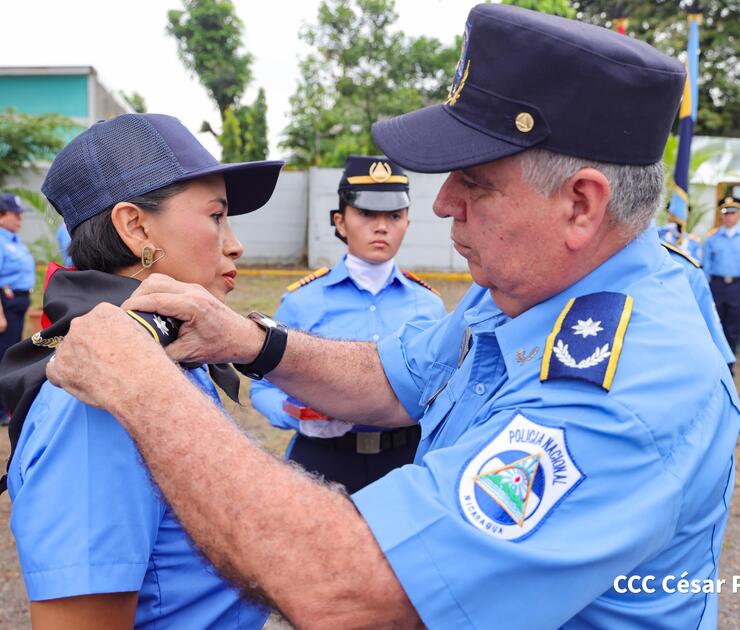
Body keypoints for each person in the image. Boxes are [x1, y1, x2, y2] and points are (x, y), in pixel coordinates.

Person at [47, 6, 740, 628]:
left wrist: (145, 392)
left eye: (475, 182)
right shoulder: (532, 287)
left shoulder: (629, 386)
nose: (440, 205)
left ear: (581, 205)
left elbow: (354, 594)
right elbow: (395, 376)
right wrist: (251, 341)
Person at [0, 113, 282, 628]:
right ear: (135, 227)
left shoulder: (159, 348)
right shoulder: (100, 394)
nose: (234, 243)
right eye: (217, 216)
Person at [250, 155, 445, 493]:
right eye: (366, 213)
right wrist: (294, 415)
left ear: (407, 223)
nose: (381, 226)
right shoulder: (302, 300)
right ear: (340, 222)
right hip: (324, 456)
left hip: (406, 459)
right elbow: (263, 387)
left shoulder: (428, 305)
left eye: (394, 216)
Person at [661, 240, 736, 368]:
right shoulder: (713, 239)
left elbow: (710, 325)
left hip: (674, 365)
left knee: (732, 330)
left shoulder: (684, 268)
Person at [704, 195, 740, 359]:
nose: (729, 216)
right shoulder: (712, 238)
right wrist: (705, 292)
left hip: (737, 287)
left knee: (733, 329)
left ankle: (729, 365)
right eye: (725, 213)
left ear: (739, 215)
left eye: (732, 212)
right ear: (721, 215)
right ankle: (715, 363)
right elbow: (705, 269)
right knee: (715, 326)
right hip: (716, 286)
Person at [0, 193, 35, 425]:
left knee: (10, 352)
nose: (20, 220)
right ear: (1, 216)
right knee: (4, 356)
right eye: (16, 215)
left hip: (17, 303)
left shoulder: (13, 240)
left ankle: (6, 407)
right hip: (5, 304)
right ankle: (2, 410)